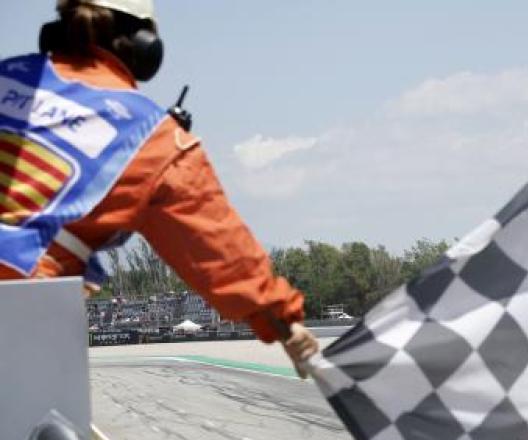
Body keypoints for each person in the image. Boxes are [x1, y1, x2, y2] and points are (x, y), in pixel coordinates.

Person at [0, 0, 319, 374]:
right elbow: (220, 249)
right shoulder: (151, 138)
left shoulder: (7, 76)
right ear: (145, 46)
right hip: (19, 322)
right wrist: (284, 321)